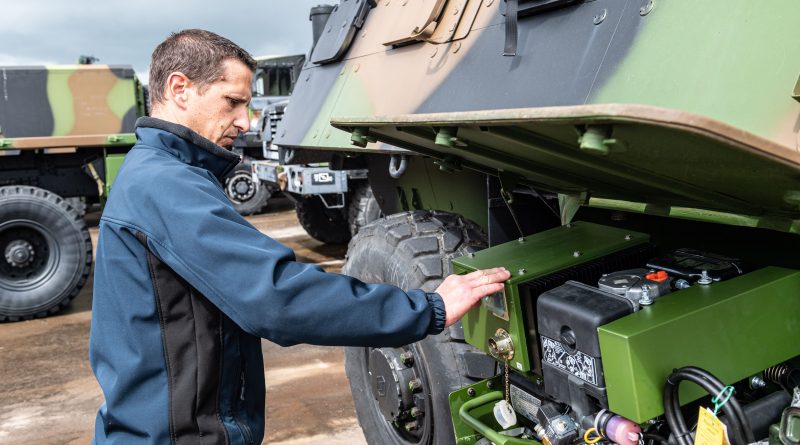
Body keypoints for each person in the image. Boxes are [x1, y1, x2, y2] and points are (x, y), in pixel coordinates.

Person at [89, 29, 509, 444]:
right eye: (233, 101)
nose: (245, 121)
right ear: (180, 89)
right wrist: (428, 308)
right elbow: (275, 296)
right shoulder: (164, 184)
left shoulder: (153, 172)